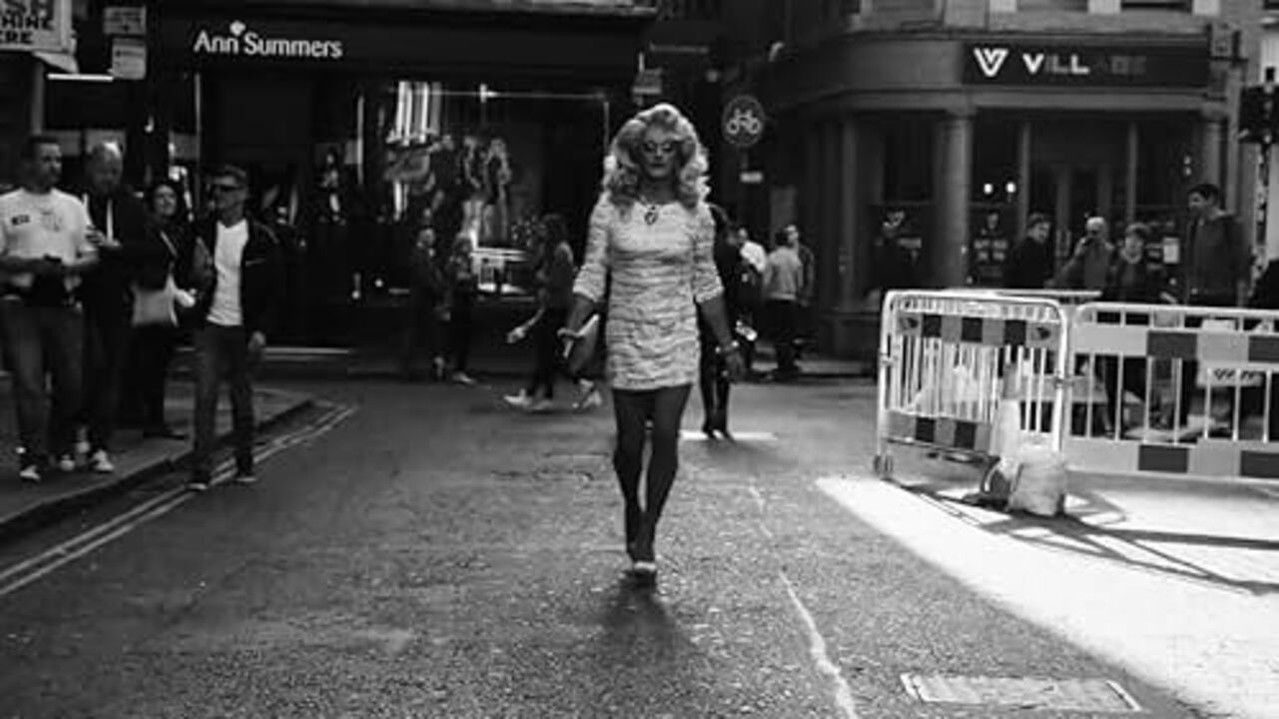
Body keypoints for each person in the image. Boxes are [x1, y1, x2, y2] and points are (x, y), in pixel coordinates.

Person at [562, 103, 744, 586]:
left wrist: (728, 346)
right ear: (634, 154)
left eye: (668, 148)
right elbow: (592, 271)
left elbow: (707, 282)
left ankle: (647, 533)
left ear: (681, 154)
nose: (659, 156)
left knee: (665, 434)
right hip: (626, 332)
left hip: (677, 335)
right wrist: (572, 325)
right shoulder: (610, 208)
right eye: (649, 148)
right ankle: (632, 504)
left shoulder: (696, 213)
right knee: (628, 445)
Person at [0, 135, 99, 482]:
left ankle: (61, 444)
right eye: (46, 160)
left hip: (64, 304)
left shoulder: (73, 206)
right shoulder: (6, 205)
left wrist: (70, 268)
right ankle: (34, 455)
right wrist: (31, 265)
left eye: (58, 160)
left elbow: (91, 254)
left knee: (71, 383)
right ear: (28, 163)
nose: (54, 166)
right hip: (21, 304)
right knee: (29, 384)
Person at [185, 165, 284, 492]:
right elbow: (182, 273)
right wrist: (195, 279)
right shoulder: (200, 231)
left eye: (227, 189)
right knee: (205, 397)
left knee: (241, 399)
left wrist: (262, 331)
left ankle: (244, 463)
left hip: (244, 327)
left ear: (243, 194)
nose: (219, 195)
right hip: (209, 325)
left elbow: (275, 291)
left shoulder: (261, 239)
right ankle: (201, 470)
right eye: (216, 189)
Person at [77, 143, 149, 474]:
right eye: (104, 171)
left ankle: (100, 444)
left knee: (109, 372)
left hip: (115, 299)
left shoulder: (130, 205)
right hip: (76, 297)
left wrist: (115, 246)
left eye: (115, 172)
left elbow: (148, 248)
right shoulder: (73, 202)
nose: (109, 178)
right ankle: (73, 433)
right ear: (90, 169)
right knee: (80, 370)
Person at [124, 179, 198, 439]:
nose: (167, 202)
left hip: (171, 301)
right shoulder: (146, 229)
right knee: (147, 361)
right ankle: (147, 417)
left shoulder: (181, 231)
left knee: (160, 362)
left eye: (171, 197)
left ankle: (152, 417)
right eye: (160, 197)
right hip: (149, 299)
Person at [505, 214, 583, 412]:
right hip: (554, 305)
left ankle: (537, 394)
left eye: (544, 228)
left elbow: (558, 281)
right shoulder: (556, 250)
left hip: (556, 307)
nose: (541, 232)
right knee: (548, 354)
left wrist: (541, 278)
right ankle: (542, 394)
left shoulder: (561, 251)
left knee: (547, 353)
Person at [1098, 223, 1170, 435]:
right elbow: (1106, 292)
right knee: (1112, 377)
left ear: (1144, 245)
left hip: (1136, 326)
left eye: (1138, 240)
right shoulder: (1114, 265)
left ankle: (1152, 400)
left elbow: (1152, 297)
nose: (1132, 244)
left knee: (1131, 375)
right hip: (1113, 326)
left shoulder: (1151, 270)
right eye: (1130, 239)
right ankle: (1115, 425)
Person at [698, 205, 743, 438]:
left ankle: (708, 411)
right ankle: (722, 411)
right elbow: (738, 286)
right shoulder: (731, 251)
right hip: (728, 312)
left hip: (702, 312)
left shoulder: (699, 252)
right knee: (724, 361)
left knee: (705, 364)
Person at [401, 226, 448, 381]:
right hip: (421, 301)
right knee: (417, 335)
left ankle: (427, 366)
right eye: (430, 236)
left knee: (424, 335)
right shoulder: (418, 255)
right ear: (423, 237)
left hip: (425, 300)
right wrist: (438, 291)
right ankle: (409, 367)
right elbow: (424, 278)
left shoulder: (425, 254)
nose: (433, 239)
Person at [762, 227, 805, 381]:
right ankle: (789, 364)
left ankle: (782, 364)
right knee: (789, 333)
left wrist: (763, 295)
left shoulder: (773, 258)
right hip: (790, 298)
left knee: (778, 334)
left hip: (775, 298)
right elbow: (800, 282)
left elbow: (766, 281)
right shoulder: (795, 259)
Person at [444, 234, 479, 385]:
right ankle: (454, 369)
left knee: (463, 338)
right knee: (456, 337)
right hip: (458, 302)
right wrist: (470, 277)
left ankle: (457, 368)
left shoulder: (468, 261)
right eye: (467, 244)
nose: (469, 247)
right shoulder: (454, 261)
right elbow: (458, 278)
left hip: (466, 302)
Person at [1053, 216, 1113, 291]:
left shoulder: (1111, 252)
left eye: (1094, 232)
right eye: (1088, 232)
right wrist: (1076, 257)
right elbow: (1064, 277)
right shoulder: (1083, 250)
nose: (1091, 236)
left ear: (1104, 232)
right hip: (1085, 292)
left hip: (1104, 292)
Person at [1004, 212, 1055, 290]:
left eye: (1047, 231)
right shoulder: (1025, 251)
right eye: (1041, 229)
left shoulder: (1039, 250)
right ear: (1030, 229)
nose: (1044, 234)